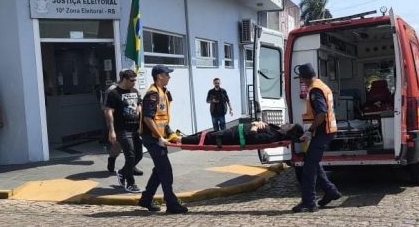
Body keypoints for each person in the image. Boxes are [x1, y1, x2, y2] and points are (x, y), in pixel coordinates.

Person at [138, 64, 188, 214]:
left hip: (157, 138)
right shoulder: (153, 94)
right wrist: (160, 137)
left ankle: (146, 199)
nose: (169, 77)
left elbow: (163, 120)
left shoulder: (163, 92)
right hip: (152, 138)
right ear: (160, 76)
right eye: (167, 74)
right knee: (165, 170)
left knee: (159, 170)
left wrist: (172, 136)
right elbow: (148, 119)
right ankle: (171, 203)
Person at [292, 63, 341, 213]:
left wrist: (310, 130)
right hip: (327, 130)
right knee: (312, 162)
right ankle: (331, 191)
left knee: (309, 168)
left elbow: (321, 113)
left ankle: (309, 202)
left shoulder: (315, 89)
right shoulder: (321, 85)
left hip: (322, 131)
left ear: (302, 78)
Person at [105, 69, 143, 193]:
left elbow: (139, 104)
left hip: (135, 128)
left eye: (135, 80)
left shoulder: (134, 91)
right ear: (124, 80)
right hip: (122, 129)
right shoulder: (114, 93)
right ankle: (130, 183)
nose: (134, 83)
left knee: (139, 155)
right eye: (132, 81)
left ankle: (122, 172)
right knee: (130, 156)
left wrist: (140, 112)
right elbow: (109, 112)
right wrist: (111, 131)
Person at [179, 121, 303, 146]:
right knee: (208, 134)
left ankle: (180, 140)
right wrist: (259, 122)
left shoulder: (273, 136)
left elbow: (253, 138)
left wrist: (254, 126)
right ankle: (182, 137)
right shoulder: (275, 130)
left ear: (288, 132)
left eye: (289, 125)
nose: (286, 123)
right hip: (234, 131)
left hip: (234, 136)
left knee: (208, 138)